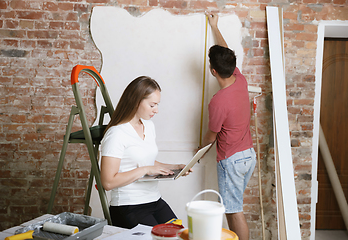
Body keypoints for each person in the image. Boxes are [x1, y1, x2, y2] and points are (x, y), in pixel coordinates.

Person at [100, 76, 191, 229]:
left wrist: (176, 167)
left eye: (157, 105)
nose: (156, 110)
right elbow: (108, 182)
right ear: (136, 101)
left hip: (155, 201)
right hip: (128, 206)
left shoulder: (149, 126)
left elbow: (146, 161)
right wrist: (146, 169)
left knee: (180, 236)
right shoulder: (116, 134)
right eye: (152, 105)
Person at [197, 13, 257, 240]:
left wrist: (198, 151)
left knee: (233, 211)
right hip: (247, 156)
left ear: (213, 71)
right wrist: (215, 26)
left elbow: (211, 137)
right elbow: (225, 51)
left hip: (231, 160)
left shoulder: (218, 101)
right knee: (234, 207)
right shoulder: (240, 80)